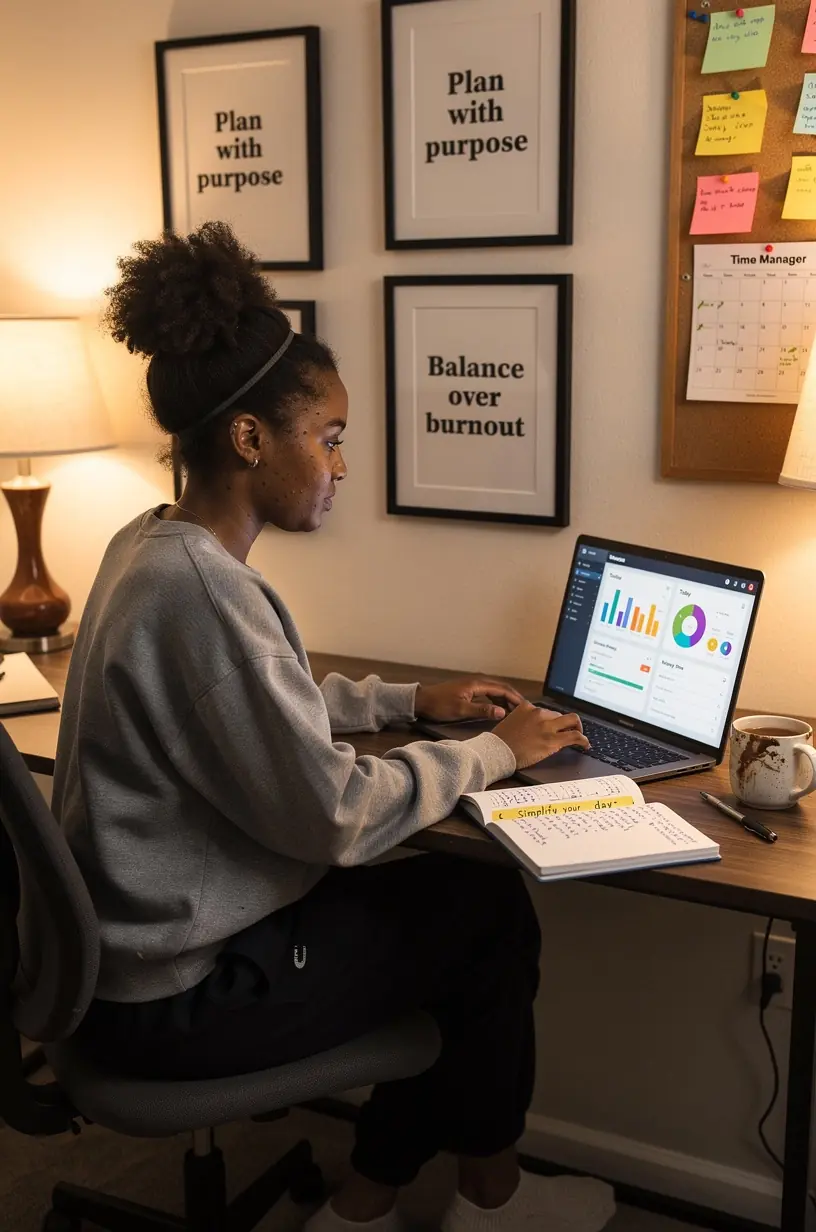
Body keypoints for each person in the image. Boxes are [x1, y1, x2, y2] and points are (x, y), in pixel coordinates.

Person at [52, 222, 614, 1232]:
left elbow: (251, 703)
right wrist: (496, 751)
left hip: (121, 968)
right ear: (251, 439)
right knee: (485, 914)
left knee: (456, 902)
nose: (343, 464)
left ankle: (369, 1199)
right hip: (176, 1000)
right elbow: (335, 817)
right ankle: (486, 1197)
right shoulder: (205, 594)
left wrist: (406, 702)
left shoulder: (151, 542)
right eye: (331, 436)